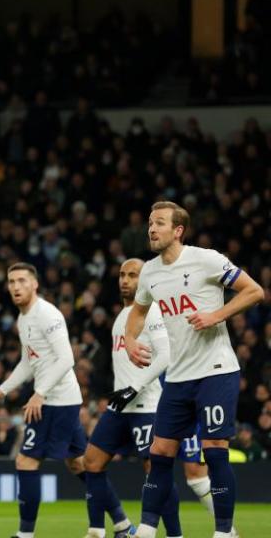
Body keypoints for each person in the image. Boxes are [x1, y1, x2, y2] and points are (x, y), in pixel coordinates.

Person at [125, 201, 263, 538]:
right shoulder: (150, 272)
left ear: (178, 230)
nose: (151, 229)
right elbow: (138, 312)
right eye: (150, 223)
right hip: (178, 376)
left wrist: (216, 316)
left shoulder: (206, 259)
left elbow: (255, 291)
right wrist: (130, 339)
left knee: (214, 451)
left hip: (216, 371)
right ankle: (145, 529)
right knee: (160, 453)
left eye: (159, 223)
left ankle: (223, 531)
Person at [0, 262, 87, 538]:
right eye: (11, 281)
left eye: (22, 281)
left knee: (26, 461)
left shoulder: (47, 315)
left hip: (56, 400)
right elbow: (28, 363)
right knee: (80, 465)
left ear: (34, 284)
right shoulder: (23, 319)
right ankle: (121, 523)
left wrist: (40, 393)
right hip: (57, 399)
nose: (16, 286)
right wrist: (1, 390)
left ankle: (25, 534)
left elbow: (67, 358)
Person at [82, 258, 176, 538]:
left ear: (144, 279)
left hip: (147, 406)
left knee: (156, 471)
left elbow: (166, 356)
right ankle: (114, 527)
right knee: (92, 463)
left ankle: (174, 534)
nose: (125, 280)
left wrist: (134, 386)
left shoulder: (152, 311)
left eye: (132, 275)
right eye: (122, 274)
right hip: (119, 407)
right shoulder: (123, 316)